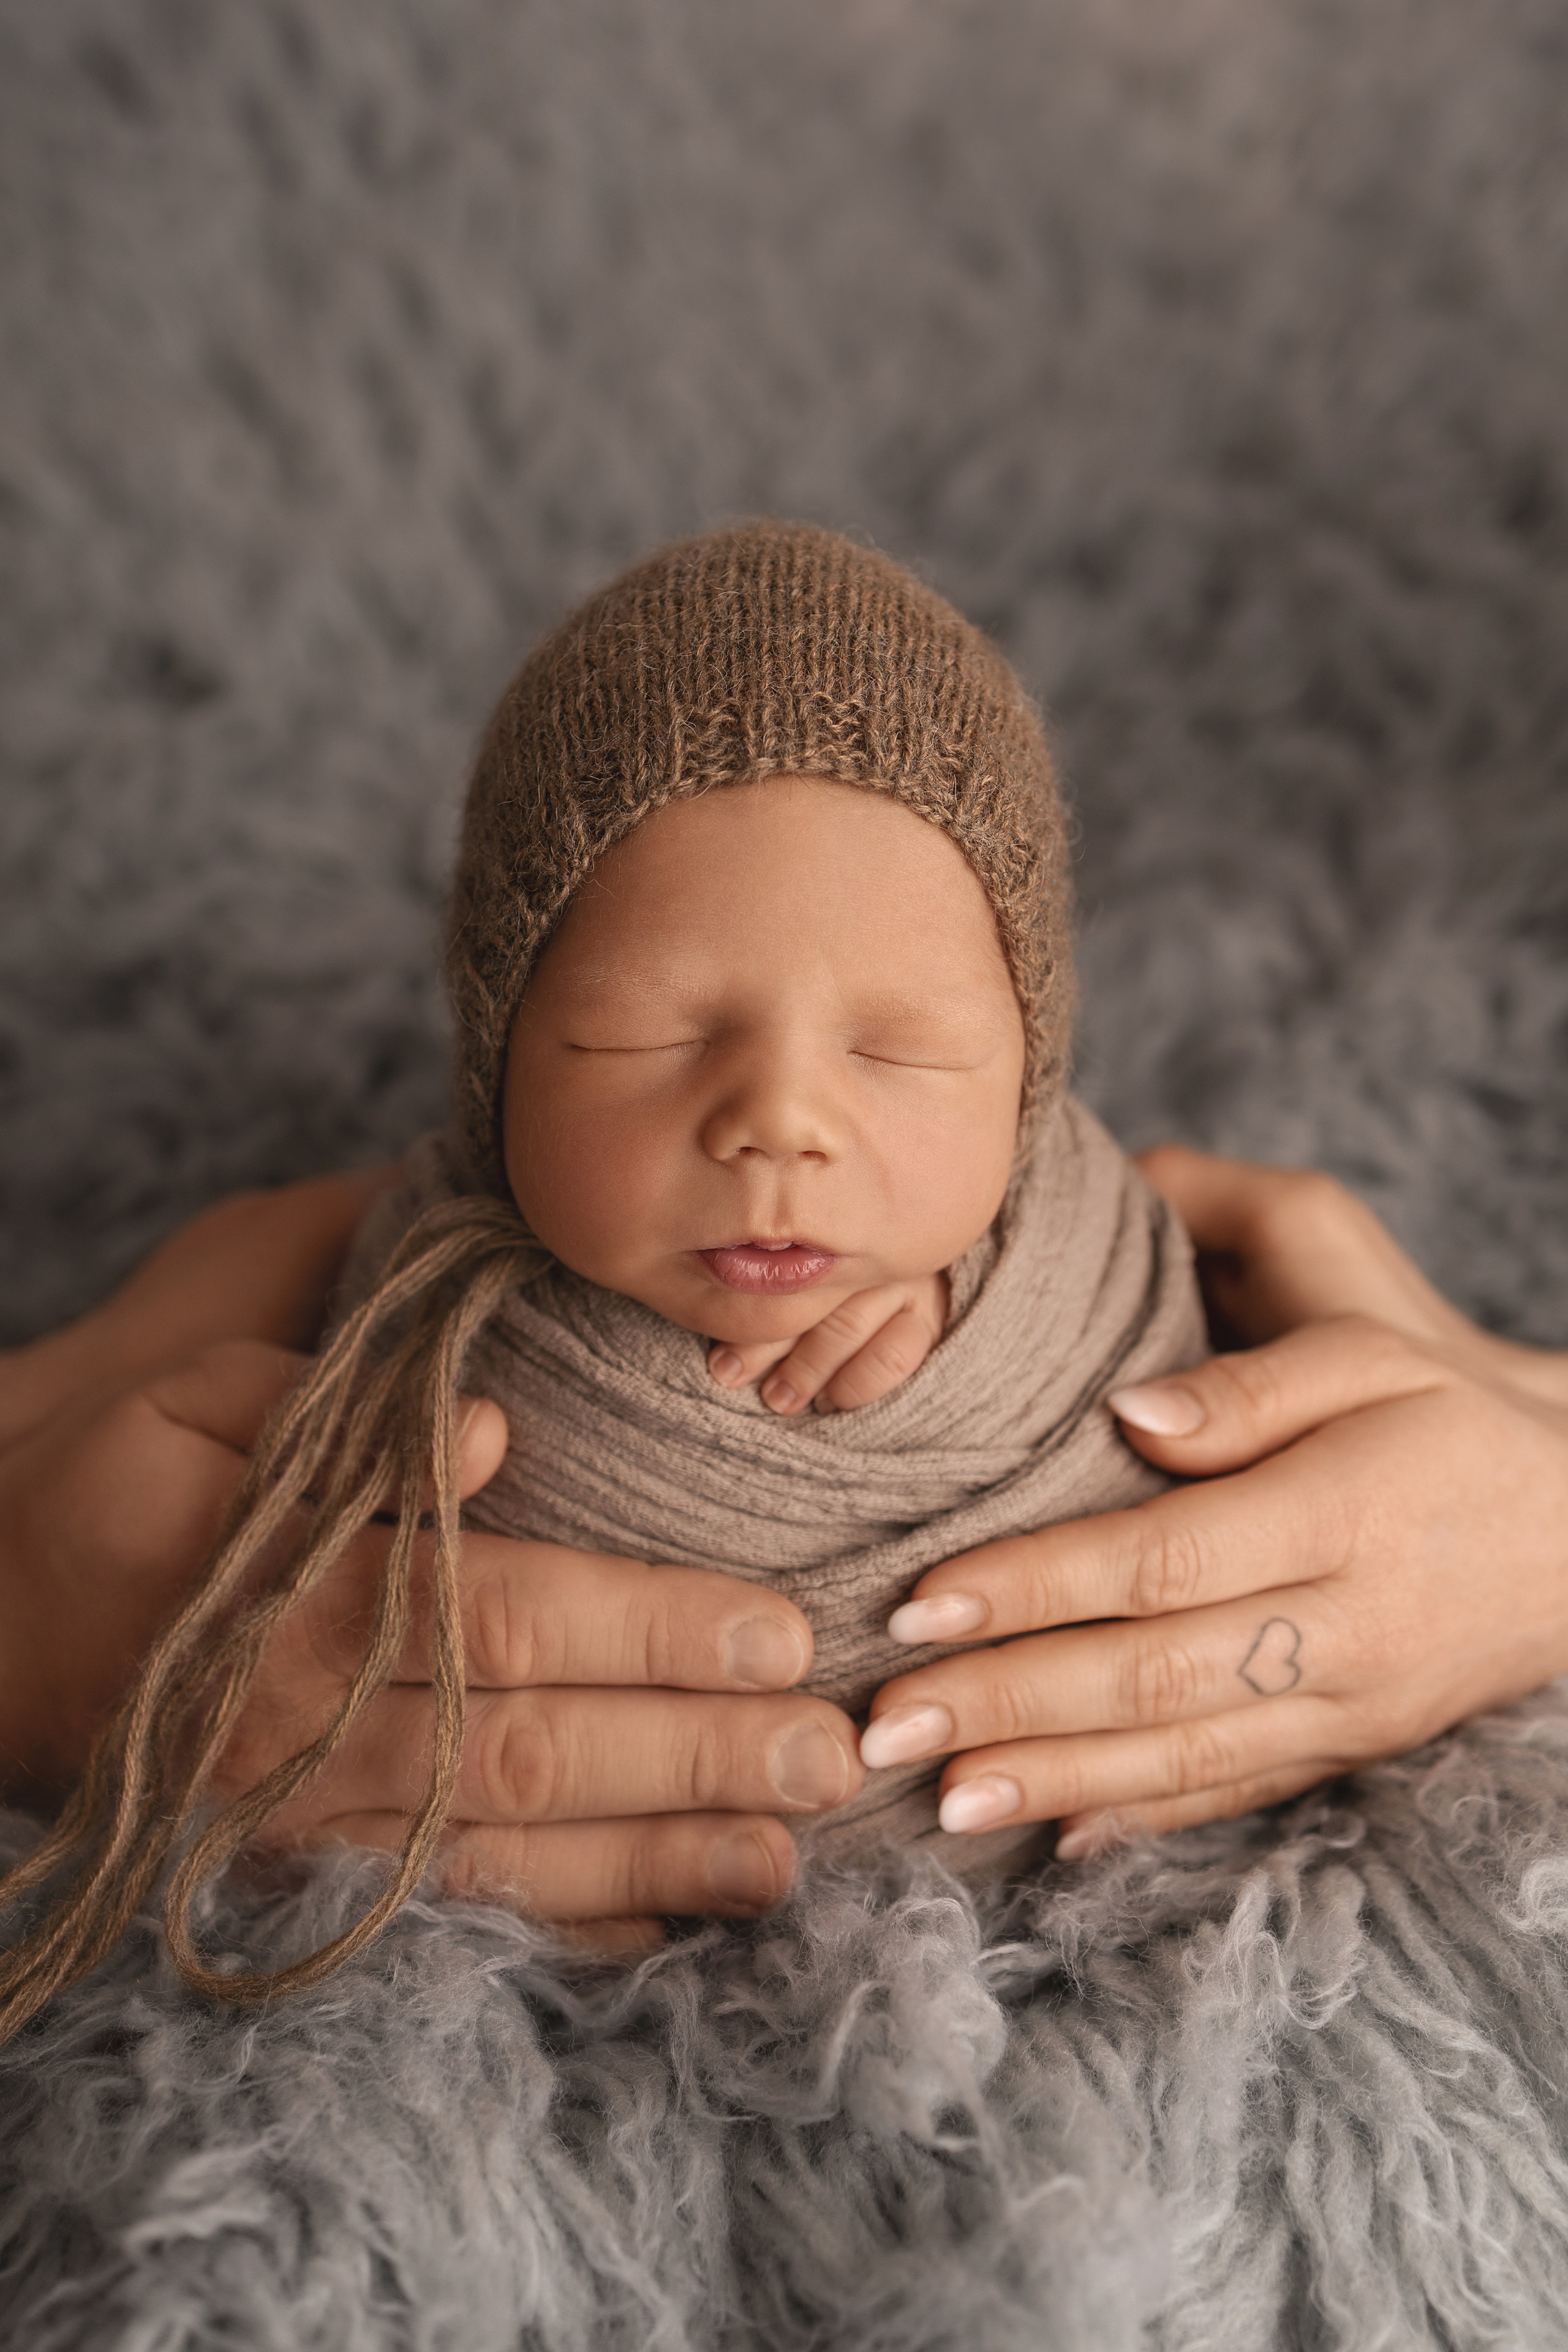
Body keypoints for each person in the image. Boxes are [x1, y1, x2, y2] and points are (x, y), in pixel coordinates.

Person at [4, 520, 1567, 1999]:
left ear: (1028, 1078)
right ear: (494, 1055)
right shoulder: (374, 1275)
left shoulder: (1119, 1276)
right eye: (648, 1031)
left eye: (901, 1051)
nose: (776, 1124)